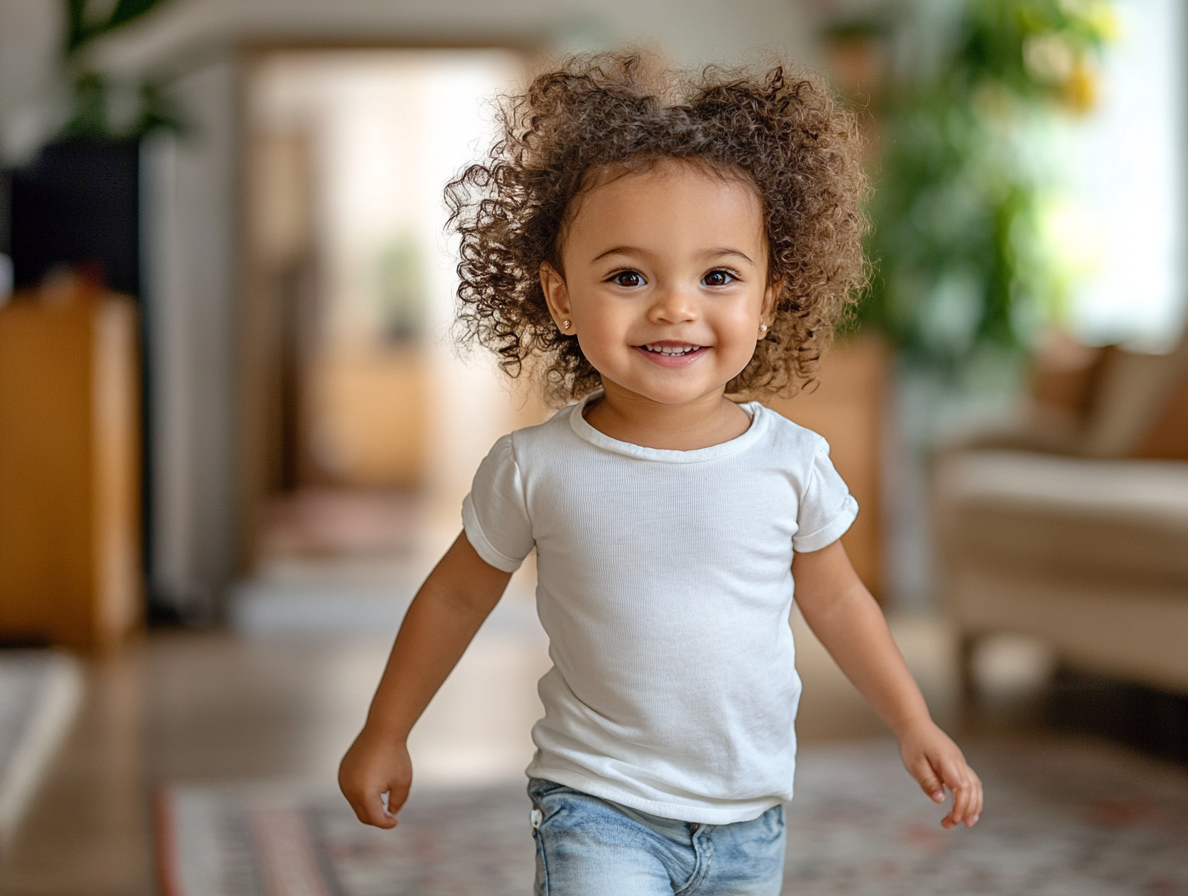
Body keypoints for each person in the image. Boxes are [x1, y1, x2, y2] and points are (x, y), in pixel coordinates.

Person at [338, 52, 982, 895]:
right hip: (596, 805)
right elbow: (456, 595)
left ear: (768, 300)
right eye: (628, 276)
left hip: (749, 813)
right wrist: (386, 731)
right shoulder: (536, 467)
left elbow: (837, 598)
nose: (675, 306)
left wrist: (912, 720)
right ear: (563, 297)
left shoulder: (791, 464)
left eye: (717, 276)